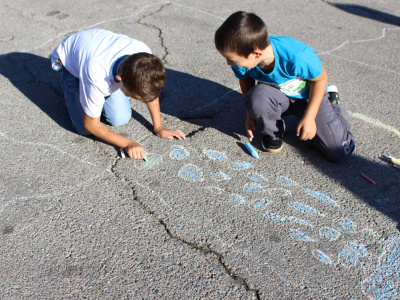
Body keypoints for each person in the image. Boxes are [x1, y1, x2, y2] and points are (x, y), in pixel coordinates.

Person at [214, 11, 354, 162]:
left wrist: (310, 117)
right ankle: (273, 134)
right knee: (257, 97)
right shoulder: (244, 57)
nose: (228, 63)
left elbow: (320, 79)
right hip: (279, 96)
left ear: (256, 54)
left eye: (231, 60)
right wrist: (249, 113)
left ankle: (332, 102)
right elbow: (245, 77)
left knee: (339, 152)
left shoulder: (297, 55)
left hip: (309, 96)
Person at [51, 29, 185, 159]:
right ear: (120, 79)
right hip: (68, 61)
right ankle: (74, 87)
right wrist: (127, 143)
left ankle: (94, 97)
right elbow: (90, 124)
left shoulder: (145, 58)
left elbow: (151, 92)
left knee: (120, 118)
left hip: (96, 50)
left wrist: (159, 127)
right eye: (132, 96)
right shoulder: (96, 73)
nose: (136, 99)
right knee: (83, 128)